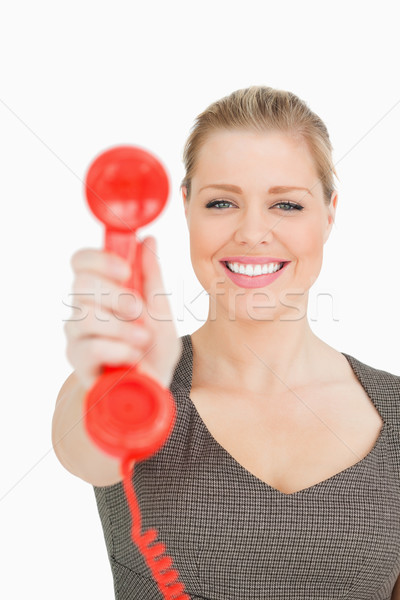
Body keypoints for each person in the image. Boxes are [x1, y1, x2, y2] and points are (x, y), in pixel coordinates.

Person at [52, 86, 400, 599]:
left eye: (285, 203)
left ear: (329, 214)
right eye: (221, 202)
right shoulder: (125, 389)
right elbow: (87, 451)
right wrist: (132, 378)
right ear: (186, 208)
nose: (253, 232)